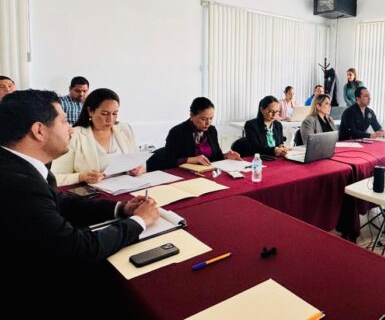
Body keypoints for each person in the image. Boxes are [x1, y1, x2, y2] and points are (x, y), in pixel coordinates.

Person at [0, 90, 159, 311]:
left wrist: (121, 208)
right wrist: (139, 222)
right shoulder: (18, 184)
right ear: (39, 130)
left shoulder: (20, 165)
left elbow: (61, 202)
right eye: (64, 121)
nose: (71, 129)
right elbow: (79, 249)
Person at [51, 88, 144, 186]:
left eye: (115, 113)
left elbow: (138, 163)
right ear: (90, 111)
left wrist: (139, 169)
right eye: (104, 114)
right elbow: (55, 178)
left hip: (125, 188)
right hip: (91, 193)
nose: (110, 119)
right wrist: (81, 177)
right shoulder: (74, 135)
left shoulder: (125, 129)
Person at [161, 97, 241, 168]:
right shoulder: (177, 132)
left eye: (211, 118)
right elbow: (168, 161)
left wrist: (226, 156)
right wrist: (190, 159)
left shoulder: (211, 130)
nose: (208, 123)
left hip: (208, 172)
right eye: (204, 119)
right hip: (185, 174)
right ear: (192, 115)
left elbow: (217, 157)